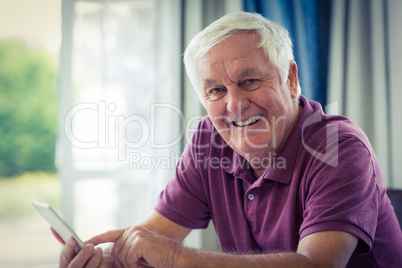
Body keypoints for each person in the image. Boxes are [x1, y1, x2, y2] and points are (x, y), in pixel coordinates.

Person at [55, 12, 402, 267]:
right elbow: (155, 239)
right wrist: (106, 260)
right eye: (216, 90)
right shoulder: (209, 139)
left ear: (291, 78)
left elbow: (316, 265)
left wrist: (175, 258)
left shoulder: (339, 147)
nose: (234, 104)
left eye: (250, 81)